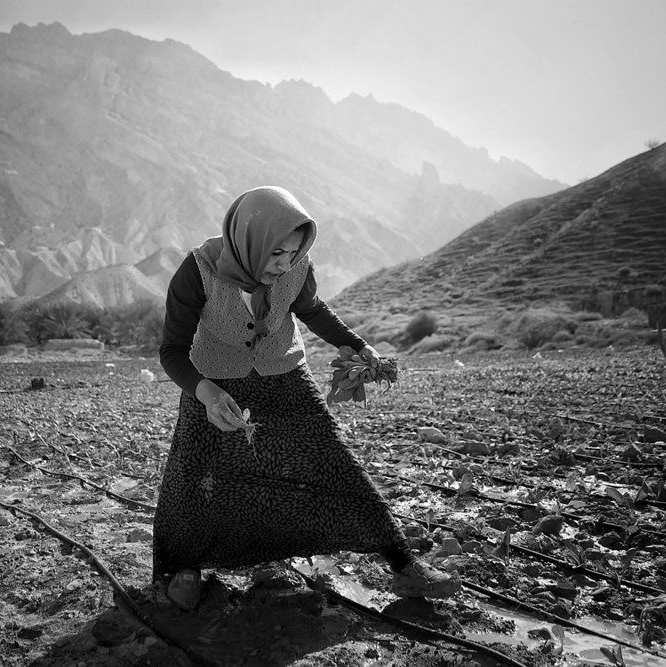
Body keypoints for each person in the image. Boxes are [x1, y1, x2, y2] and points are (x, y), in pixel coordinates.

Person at [155, 185, 459, 610]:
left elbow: (312, 309)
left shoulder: (296, 268)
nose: (284, 265)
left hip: (284, 373)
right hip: (213, 380)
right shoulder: (198, 270)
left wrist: (358, 346)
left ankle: (404, 566)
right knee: (198, 473)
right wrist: (207, 395)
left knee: (333, 460)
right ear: (249, 241)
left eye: (293, 254)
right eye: (276, 253)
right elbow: (171, 350)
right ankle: (186, 565)